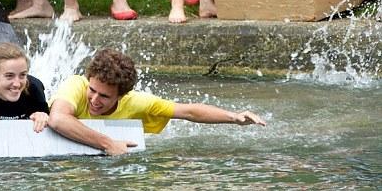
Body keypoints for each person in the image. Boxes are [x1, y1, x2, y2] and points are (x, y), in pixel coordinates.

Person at [48, 48, 266, 154]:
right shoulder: (76, 85)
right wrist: (108, 144)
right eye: (93, 90)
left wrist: (234, 117)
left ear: (121, 95)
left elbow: (188, 112)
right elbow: (58, 119)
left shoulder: (137, 101)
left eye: (104, 96)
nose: (94, 100)